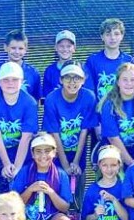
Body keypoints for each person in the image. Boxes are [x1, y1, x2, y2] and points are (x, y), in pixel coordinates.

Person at [0, 61, 38, 195]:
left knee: (24, 194)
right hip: (0, 153)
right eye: (6, 80)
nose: (10, 83)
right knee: (0, 196)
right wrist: (6, 164)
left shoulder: (29, 102)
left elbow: (26, 138)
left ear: (22, 81)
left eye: (14, 79)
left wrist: (17, 167)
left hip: (23, 154)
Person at [42, 61, 98, 193]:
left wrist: (76, 162)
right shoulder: (51, 99)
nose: (72, 82)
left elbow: (85, 131)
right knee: (58, 190)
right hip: (57, 154)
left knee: (77, 192)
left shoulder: (89, 97)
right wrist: (65, 165)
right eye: (67, 77)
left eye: (77, 77)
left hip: (79, 152)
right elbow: (54, 134)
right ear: (60, 80)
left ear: (83, 80)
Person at [84, 18, 134, 102]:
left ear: (122, 36)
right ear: (102, 37)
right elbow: (89, 91)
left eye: (116, 34)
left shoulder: (129, 61)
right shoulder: (93, 61)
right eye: (108, 34)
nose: (112, 38)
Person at [0, 29, 41, 100]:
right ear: (5, 47)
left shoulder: (33, 73)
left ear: (26, 50)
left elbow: (36, 100)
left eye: (20, 48)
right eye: (13, 48)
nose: (17, 52)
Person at [42, 30, 77, 97]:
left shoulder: (81, 69)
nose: (65, 49)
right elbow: (47, 97)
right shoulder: (50, 71)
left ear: (74, 48)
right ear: (56, 47)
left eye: (68, 46)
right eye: (61, 46)